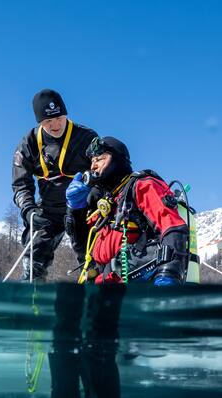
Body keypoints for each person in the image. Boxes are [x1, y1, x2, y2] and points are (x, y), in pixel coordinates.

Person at [66, 136, 190, 285]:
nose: (93, 166)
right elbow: (81, 246)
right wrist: (74, 209)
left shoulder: (142, 186)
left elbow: (172, 227)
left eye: (99, 159)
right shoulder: (104, 202)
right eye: (92, 161)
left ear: (117, 160)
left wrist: (168, 273)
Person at [11, 89, 98, 281]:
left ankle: (95, 299)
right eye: (48, 121)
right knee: (34, 261)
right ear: (39, 122)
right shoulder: (29, 144)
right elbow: (21, 183)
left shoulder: (86, 137)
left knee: (92, 261)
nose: (55, 125)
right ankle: (32, 303)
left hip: (82, 210)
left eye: (59, 118)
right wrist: (28, 209)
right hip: (47, 211)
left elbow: (102, 172)